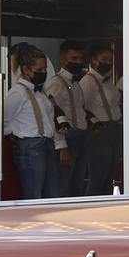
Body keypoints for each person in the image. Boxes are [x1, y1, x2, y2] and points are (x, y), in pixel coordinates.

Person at [3, 45, 65, 199]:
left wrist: (58, 143)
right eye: (39, 70)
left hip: (47, 144)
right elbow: (3, 120)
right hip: (30, 146)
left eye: (45, 70)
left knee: (54, 193)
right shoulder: (17, 93)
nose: (43, 73)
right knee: (33, 193)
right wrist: (16, 132)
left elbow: (49, 121)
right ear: (26, 69)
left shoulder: (41, 91)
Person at [43, 40, 91, 195]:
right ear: (63, 59)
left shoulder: (76, 83)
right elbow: (52, 115)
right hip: (67, 138)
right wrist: (61, 145)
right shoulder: (55, 84)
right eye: (74, 58)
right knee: (64, 185)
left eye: (80, 58)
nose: (78, 62)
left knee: (77, 185)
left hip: (81, 136)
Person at [77, 42, 123, 195]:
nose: (108, 63)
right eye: (104, 59)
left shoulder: (107, 82)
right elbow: (82, 107)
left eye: (110, 60)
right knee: (98, 176)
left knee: (109, 175)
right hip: (100, 132)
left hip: (114, 129)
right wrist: (94, 126)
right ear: (93, 59)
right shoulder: (88, 82)